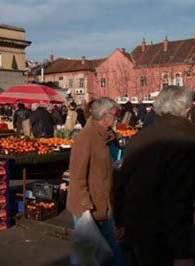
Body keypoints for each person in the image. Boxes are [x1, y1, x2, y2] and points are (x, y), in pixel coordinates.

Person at [114, 86, 195, 266]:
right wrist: (182, 252)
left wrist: (119, 222)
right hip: (164, 238)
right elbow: (178, 199)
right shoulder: (188, 140)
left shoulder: (139, 138)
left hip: (136, 229)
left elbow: (121, 184)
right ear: (186, 110)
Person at [66, 97, 122, 265]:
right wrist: (85, 205)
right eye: (114, 115)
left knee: (100, 253)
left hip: (103, 202)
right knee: (88, 255)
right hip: (90, 206)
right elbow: (77, 175)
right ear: (104, 116)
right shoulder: (87, 137)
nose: (116, 118)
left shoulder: (104, 136)